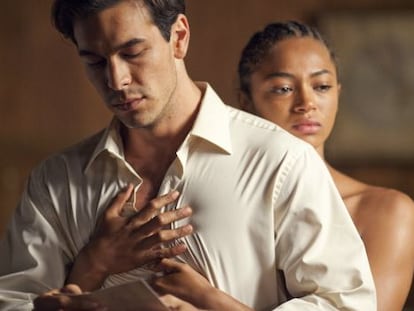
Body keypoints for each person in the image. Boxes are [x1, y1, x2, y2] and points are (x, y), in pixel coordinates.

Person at [0, 2, 376, 310]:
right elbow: (12, 303)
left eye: (132, 52)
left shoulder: (281, 161)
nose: (117, 80)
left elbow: (344, 305)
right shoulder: (54, 181)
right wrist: (91, 267)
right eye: (95, 62)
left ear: (178, 37)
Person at [237, 20, 414, 311]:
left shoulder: (387, 211)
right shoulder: (223, 201)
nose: (307, 102)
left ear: (337, 94)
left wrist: (210, 299)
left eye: (321, 86)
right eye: (283, 88)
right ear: (246, 102)